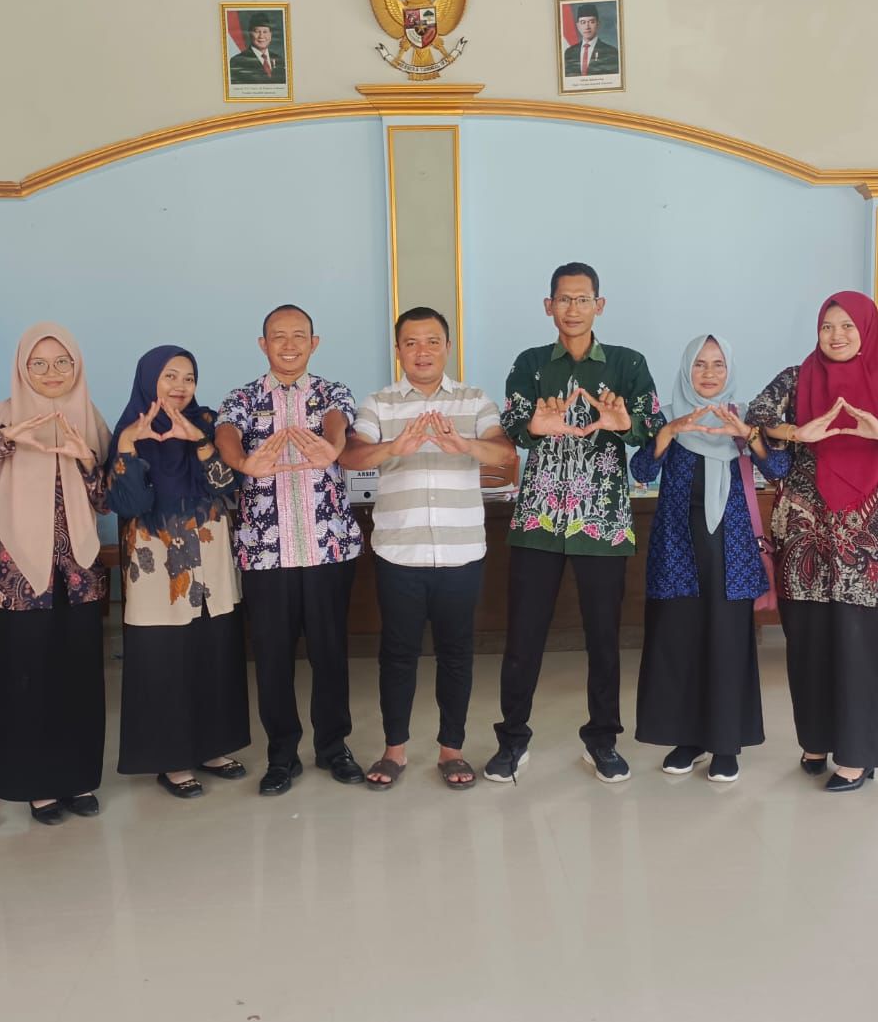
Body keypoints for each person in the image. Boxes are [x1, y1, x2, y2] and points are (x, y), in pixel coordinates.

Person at [747, 292, 878, 792]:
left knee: (862, 644)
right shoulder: (797, 378)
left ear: (867, 331)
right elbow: (757, 412)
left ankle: (858, 753)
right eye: (828, 326)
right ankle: (816, 740)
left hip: (868, 537)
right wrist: (798, 433)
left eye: (848, 326)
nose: (836, 335)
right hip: (804, 531)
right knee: (808, 640)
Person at [489, 262, 663, 784]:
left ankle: (602, 740)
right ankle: (512, 740)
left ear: (599, 305)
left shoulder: (628, 364)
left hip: (602, 521)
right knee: (523, 638)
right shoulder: (530, 363)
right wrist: (534, 425)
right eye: (563, 299)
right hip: (538, 520)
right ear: (549, 306)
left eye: (583, 299)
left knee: (604, 639)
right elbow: (512, 424)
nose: (573, 308)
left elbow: (653, 424)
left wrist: (624, 422)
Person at [341, 306, 516, 790]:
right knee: (397, 654)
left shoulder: (474, 400)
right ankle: (394, 750)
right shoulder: (379, 404)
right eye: (412, 342)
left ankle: (451, 751)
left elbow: (505, 454)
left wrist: (466, 446)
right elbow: (351, 456)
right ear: (398, 350)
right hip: (400, 552)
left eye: (432, 341)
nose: (423, 351)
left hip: (461, 553)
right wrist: (392, 448)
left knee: (457, 654)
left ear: (448, 347)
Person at [216, 305, 364, 795]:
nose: (289, 344)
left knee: (330, 653)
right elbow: (226, 433)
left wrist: (332, 445)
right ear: (263, 344)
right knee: (272, 658)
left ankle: (333, 746)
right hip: (266, 554)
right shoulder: (241, 398)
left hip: (327, 549)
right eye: (278, 336)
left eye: (299, 335)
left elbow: (339, 420)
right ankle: (281, 755)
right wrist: (243, 462)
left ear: (313, 343)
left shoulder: (332, 392)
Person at [0, 324, 111, 825]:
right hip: (18, 578)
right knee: (26, 681)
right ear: (22, 368)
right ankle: (37, 786)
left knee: (80, 679)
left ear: (77, 366)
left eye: (63, 362)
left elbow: (107, 501)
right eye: (40, 364)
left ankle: (78, 778)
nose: (53, 373)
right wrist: (6, 440)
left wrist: (86, 460)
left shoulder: (91, 419)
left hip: (79, 575)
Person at [630, 334, 788, 783]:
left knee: (726, 642)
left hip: (730, 550)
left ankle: (725, 743)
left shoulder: (742, 418)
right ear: (686, 369)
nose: (709, 373)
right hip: (677, 549)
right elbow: (641, 471)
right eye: (700, 364)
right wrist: (667, 433)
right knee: (679, 641)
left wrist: (748, 437)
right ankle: (688, 739)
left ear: (729, 370)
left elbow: (779, 470)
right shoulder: (669, 417)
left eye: (718, 364)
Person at [107, 346, 251, 799]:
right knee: (164, 658)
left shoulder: (206, 422)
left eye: (188, 378)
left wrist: (199, 441)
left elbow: (229, 485)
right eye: (170, 376)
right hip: (156, 564)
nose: (180, 386)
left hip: (210, 558)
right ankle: (171, 759)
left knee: (213, 650)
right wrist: (129, 445)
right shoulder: (128, 430)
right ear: (149, 379)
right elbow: (130, 504)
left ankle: (213, 747)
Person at [563, 3, 620, 78]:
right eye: (583, 22)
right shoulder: (569, 53)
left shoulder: (611, 52)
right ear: (578, 26)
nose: (587, 27)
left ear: (598, 24)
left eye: (591, 22)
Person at [229, 14, 287, 85]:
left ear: (270, 34)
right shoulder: (237, 62)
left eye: (265, 32)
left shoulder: (279, 60)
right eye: (257, 31)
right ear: (250, 34)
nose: (261, 36)